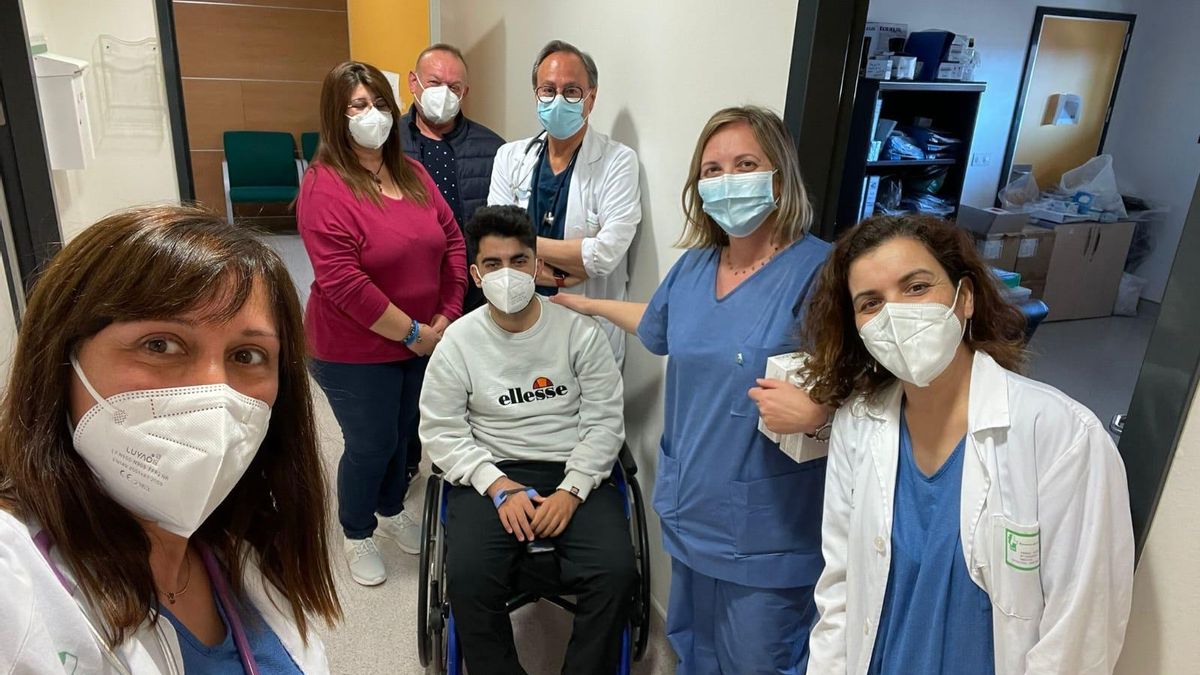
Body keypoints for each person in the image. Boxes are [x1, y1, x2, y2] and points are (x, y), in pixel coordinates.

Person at [0, 205, 341, 673]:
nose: (213, 394)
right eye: (160, 345)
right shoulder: (13, 575)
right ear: (62, 361)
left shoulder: (245, 549)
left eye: (247, 354)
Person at [552, 106, 831, 674]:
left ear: (780, 176)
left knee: (757, 661)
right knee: (692, 652)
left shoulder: (821, 272)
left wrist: (819, 414)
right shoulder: (698, 265)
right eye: (712, 169)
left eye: (745, 164)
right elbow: (659, 322)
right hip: (690, 507)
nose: (727, 181)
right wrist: (579, 303)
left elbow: (873, 392)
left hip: (766, 529)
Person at [801, 214, 1134, 674]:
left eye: (916, 287)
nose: (895, 314)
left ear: (966, 298)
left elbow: (1081, 633)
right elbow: (839, 588)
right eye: (871, 302)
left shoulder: (1061, 436)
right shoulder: (859, 424)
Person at [419, 205, 635, 674]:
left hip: (571, 469)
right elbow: (441, 428)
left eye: (518, 261)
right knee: (469, 577)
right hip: (491, 470)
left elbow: (604, 421)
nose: (508, 274)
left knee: (617, 573)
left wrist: (573, 490)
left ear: (537, 265)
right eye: (493, 264)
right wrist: (497, 486)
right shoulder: (457, 341)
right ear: (476, 275)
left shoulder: (580, 332)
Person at [297, 61, 467, 586]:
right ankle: (356, 530)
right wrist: (416, 334)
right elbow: (345, 283)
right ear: (336, 116)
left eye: (379, 104)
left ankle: (393, 509)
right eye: (357, 106)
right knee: (370, 442)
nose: (372, 116)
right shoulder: (324, 188)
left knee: (403, 436)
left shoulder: (413, 175)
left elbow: (454, 244)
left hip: (423, 337)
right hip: (352, 349)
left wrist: (445, 316)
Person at [488, 39, 641, 365]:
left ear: (591, 98)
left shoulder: (617, 162)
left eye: (572, 91)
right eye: (548, 90)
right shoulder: (509, 157)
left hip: (588, 329)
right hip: (518, 317)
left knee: (587, 413)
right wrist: (563, 274)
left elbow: (603, 257)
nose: (558, 100)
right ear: (536, 95)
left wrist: (523, 250)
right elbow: (495, 244)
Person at [401, 42, 505, 314]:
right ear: (414, 82)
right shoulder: (386, 144)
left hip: (474, 293)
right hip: (403, 289)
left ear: (464, 93)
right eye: (434, 83)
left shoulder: (494, 149)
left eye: (453, 88)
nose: (443, 94)